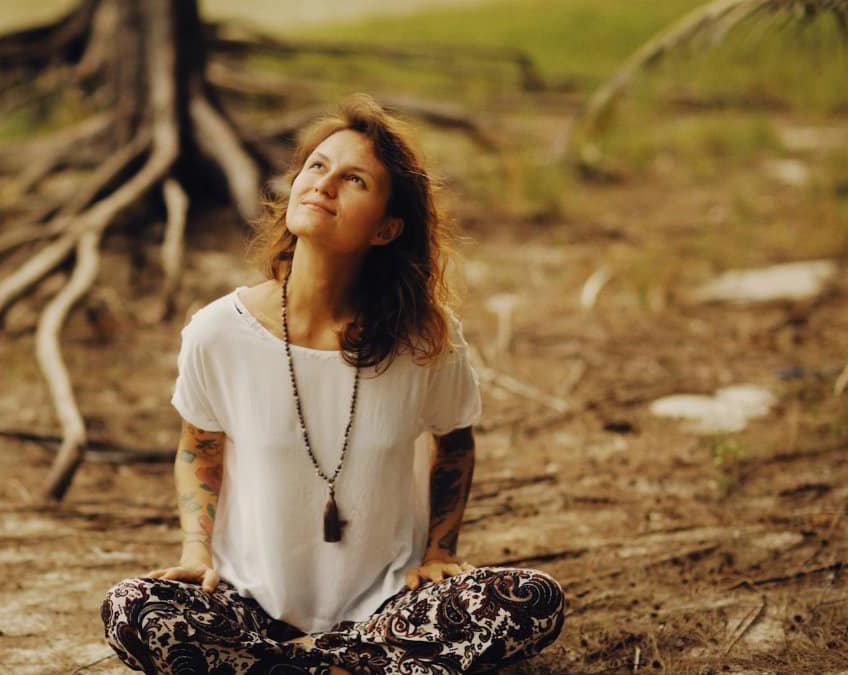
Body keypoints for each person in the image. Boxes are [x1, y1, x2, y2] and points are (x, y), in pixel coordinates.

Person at [101, 94, 563, 674]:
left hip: (390, 609)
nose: (323, 184)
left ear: (387, 228)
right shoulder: (219, 332)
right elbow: (200, 445)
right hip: (250, 607)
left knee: (534, 600)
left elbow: (456, 441)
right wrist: (196, 549)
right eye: (317, 167)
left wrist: (441, 550)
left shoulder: (424, 338)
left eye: (354, 180)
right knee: (132, 608)